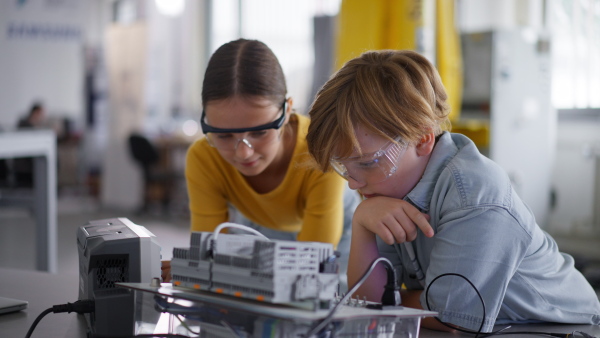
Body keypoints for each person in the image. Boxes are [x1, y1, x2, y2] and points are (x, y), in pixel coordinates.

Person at [305, 49, 600, 332]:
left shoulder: (474, 194)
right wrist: (362, 223)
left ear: (422, 139)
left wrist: (393, 301)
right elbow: (367, 303)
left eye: (367, 163)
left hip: (567, 329)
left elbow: (450, 319)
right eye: (342, 166)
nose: (353, 182)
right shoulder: (388, 191)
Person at [161, 39, 359, 283]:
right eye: (223, 135)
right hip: (256, 225)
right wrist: (197, 268)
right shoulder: (203, 157)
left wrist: (224, 271)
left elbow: (309, 266)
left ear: (287, 111)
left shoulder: (319, 151)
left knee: (329, 299)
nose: (244, 153)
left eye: (259, 132)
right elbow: (206, 253)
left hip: (339, 231)